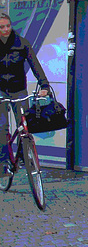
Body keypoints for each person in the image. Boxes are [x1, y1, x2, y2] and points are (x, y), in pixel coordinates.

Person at [0, 13, 50, 173]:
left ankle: (23, 157)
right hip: (1, 91)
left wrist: (44, 84)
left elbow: (35, 64)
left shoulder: (21, 43)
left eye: (8, 25)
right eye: (2, 27)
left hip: (19, 90)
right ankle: (4, 163)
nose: (6, 29)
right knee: (2, 128)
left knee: (24, 126)